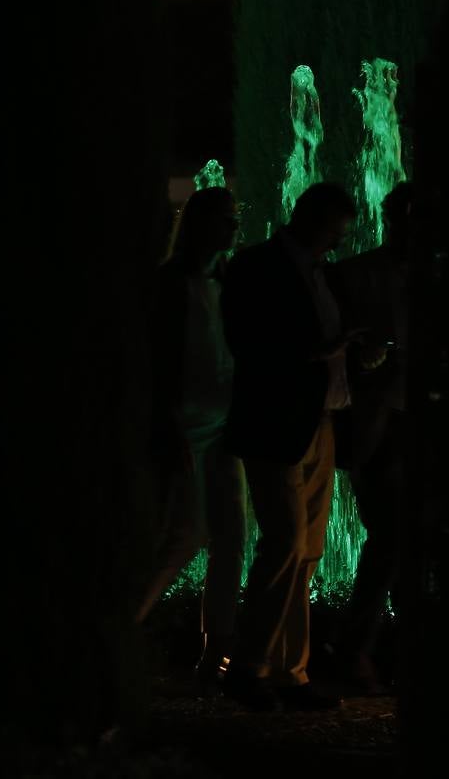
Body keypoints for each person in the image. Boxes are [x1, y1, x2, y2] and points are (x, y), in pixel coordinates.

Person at [219, 182, 362, 712]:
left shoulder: (320, 273)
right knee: (283, 545)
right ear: (309, 218)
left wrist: (350, 357)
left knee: (305, 552)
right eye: (332, 235)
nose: (335, 246)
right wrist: (313, 352)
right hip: (275, 424)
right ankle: (249, 669)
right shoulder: (255, 265)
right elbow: (248, 341)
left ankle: (289, 672)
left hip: (320, 422)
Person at [137, 186, 247, 687]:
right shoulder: (171, 282)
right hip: (188, 424)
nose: (234, 228)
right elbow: (154, 359)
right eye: (226, 219)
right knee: (184, 536)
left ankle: (216, 656)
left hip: (225, 424)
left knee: (231, 538)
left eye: (235, 218)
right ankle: (124, 626)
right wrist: (166, 422)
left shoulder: (224, 278)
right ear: (200, 223)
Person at [327, 183, 416, 694]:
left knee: (404, 539)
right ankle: (357, 649)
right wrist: (364, 362)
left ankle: (371, 649)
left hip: (416, 424)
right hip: (376, 424)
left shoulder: (442, 276)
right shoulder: (353, 276)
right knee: (391, 535)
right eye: (398, 215)